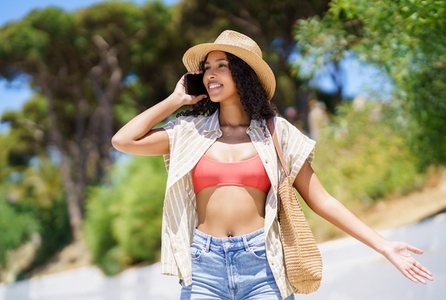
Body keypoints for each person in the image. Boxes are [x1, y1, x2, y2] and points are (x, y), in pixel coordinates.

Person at [111, 30, 433, 300]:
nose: (210, 73)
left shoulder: (277, 132)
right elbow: (123, 141)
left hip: (262, 266)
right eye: (207, 67)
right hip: (203, 268)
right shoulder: (190, 131)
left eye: (222, 65)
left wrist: (384, 245)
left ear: (243, 74)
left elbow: (321, 199)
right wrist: (175, 100)